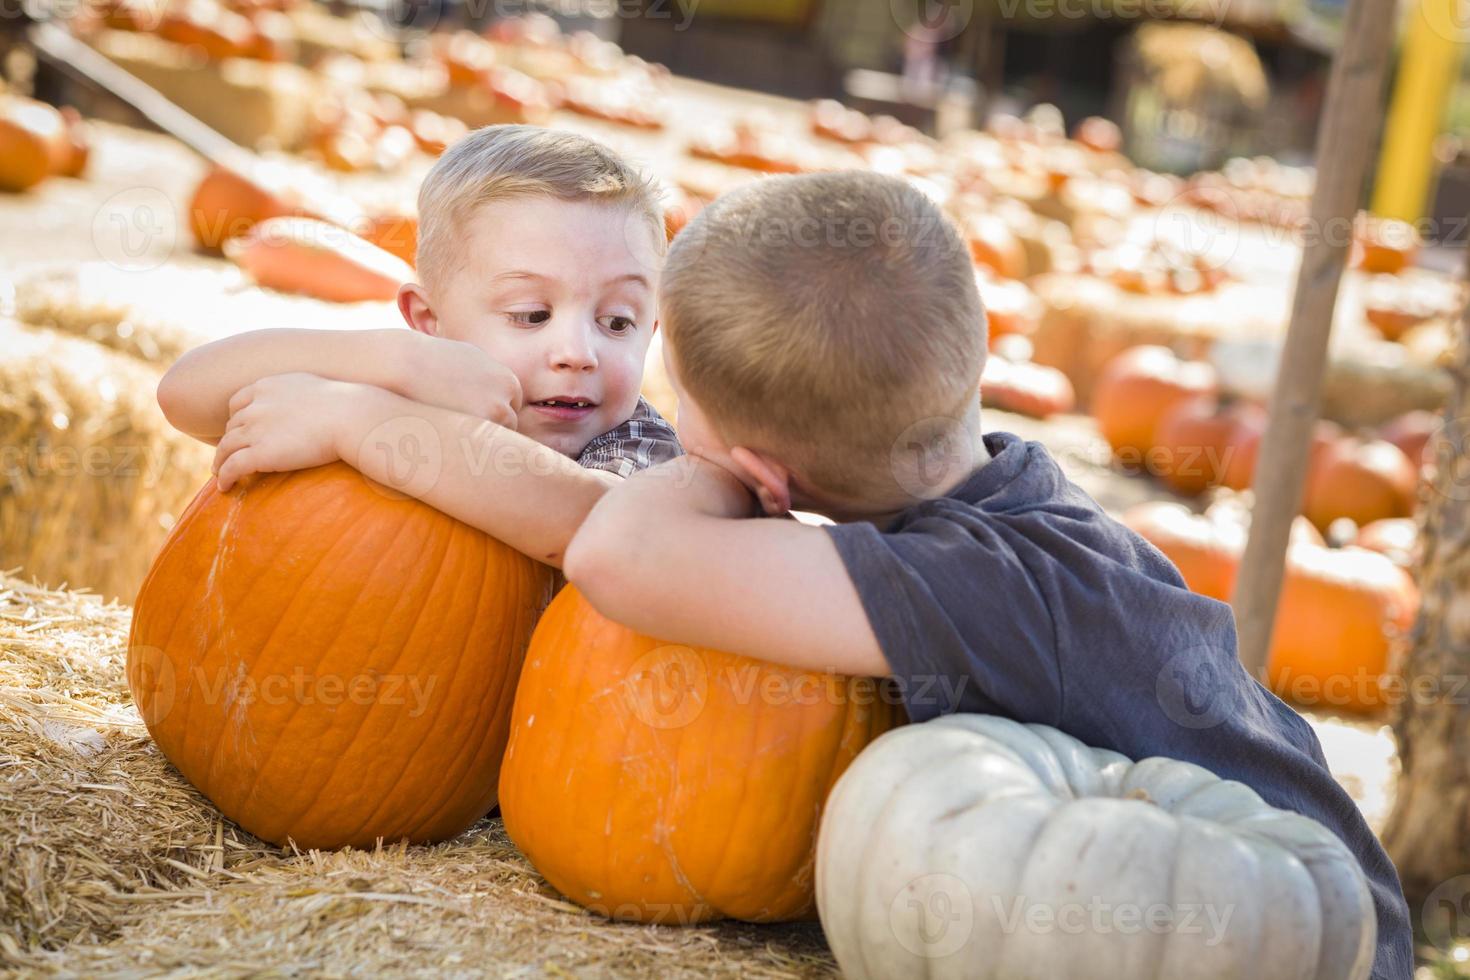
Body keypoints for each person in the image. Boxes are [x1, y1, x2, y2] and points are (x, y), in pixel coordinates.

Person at [563, 170, 1411, 977]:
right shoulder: (1023, 494)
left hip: (1306, 944)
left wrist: (714, 472)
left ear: (770, 476)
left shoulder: (977, 588)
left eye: (684, 408)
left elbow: (616, 556)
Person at [157, 125, 681, 567]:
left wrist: (361, 422)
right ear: (429, 321)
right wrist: (392, 359)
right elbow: (184, 394)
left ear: (651, 330)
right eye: (531, 315)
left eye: (616, 322)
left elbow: (596, 525)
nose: (578, 351)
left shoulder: (634, 440)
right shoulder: (409, 378)